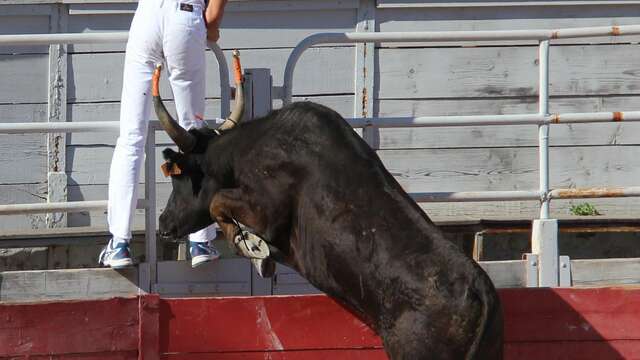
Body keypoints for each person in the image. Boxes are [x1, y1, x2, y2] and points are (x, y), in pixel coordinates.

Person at [99, 0, 229, 269]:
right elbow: (214, 14)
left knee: (132, 136)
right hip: (185, 14)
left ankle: (120, 243)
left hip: (148, 15)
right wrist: (212, 25)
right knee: (193, 136)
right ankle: (200, 240)